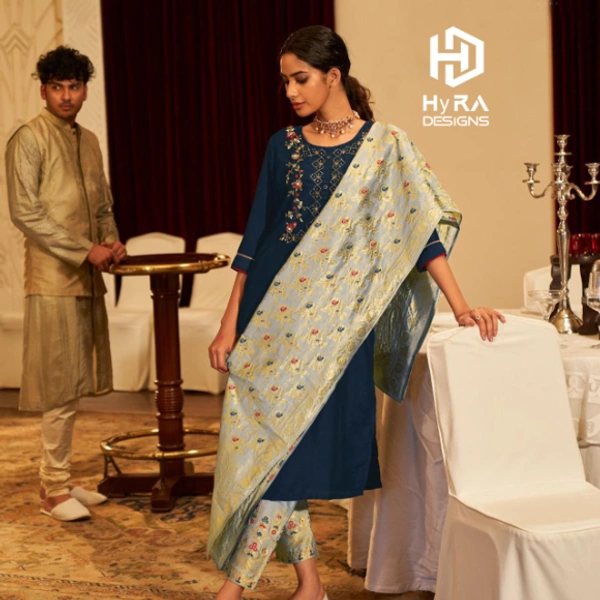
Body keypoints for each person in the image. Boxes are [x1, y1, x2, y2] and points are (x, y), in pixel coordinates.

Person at [207, 26, 504, 600]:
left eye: (301, 79)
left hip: (336, 329)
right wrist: (228, 324)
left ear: (333, 75)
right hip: (271, 317)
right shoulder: (282, 146)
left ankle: (233, 590)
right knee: (270, 449)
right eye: (285, 82)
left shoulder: (385, 146)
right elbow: (256, 238)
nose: (291, 92)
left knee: (287, 455)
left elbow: (421, 235)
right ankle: (310, 585)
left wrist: (462, 305)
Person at [5, 46, 126, 522]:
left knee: (74, 382)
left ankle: (58, 477)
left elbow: (101, 205)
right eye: (57, 87)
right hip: (54, 279)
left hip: (87, 279)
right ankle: (52, 492)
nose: (66, 96)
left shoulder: (88, 140)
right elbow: (26, 213)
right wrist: (84, 250)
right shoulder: (29, 138)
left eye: (74, 86)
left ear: (85, 90)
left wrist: (111, 240)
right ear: (44, 90)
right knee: (59, 386)